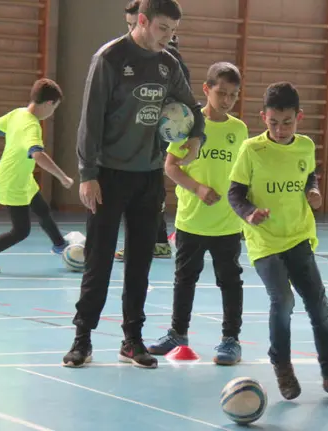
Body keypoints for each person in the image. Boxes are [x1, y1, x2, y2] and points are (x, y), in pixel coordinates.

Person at [63, 0, 205, 369]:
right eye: (162, 29)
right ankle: (82, 339)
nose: (168, 37)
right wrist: (87, 174)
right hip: (107, 176)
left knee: (140, 263)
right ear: (141, 21)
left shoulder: (168, 65)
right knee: (98, 261)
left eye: (173, 31)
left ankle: (132, 340)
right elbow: (90, 119)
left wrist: (196, 138)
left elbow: (192, 108)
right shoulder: (109, 59)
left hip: (149, 177)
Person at [228, 81, 328, 401]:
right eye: (273, 122)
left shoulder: (304, 145)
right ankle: (282, 366)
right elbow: (235, 193)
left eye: (286, 122)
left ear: (298, 117)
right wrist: (248, 213)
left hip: (299, 237)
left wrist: (312, 189)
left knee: (319, 306)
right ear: (263, 117)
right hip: (265, 242)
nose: (280, 129)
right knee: (283, 300)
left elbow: (308, 175)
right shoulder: (251, 149)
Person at [147, 62, 248, 365]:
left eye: (233, 95)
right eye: (221, 93)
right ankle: (178, 332)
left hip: (227, 224)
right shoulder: (186, 124)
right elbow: (171, 167)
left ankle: (230, 339)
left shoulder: (239, 129)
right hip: (191, 220)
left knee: (230, 281)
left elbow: (244, 173)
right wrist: (199, 189)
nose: (227, 100)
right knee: (184, 279)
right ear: (206, 90)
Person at [0, 79, 73, 273]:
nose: (52, 113)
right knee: (21, 231)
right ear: (49, 104)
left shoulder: (17, 113)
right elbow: (38, 155)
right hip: (12, 181)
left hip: (22, 178)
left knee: (42, 209)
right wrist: (62, 177)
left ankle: (60, 245)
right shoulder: (32, 125)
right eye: (55, 108)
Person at [118, 0, 188, 261]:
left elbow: (183, 98)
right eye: (127, 25)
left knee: (145, 190)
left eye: (134, 23)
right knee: (146, 190)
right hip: (134, 137)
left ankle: (153, 241)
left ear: (145, 20)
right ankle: (157, 240)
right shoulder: (123, 55)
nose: (130, 29)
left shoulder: (169, 59)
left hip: (155, 137)